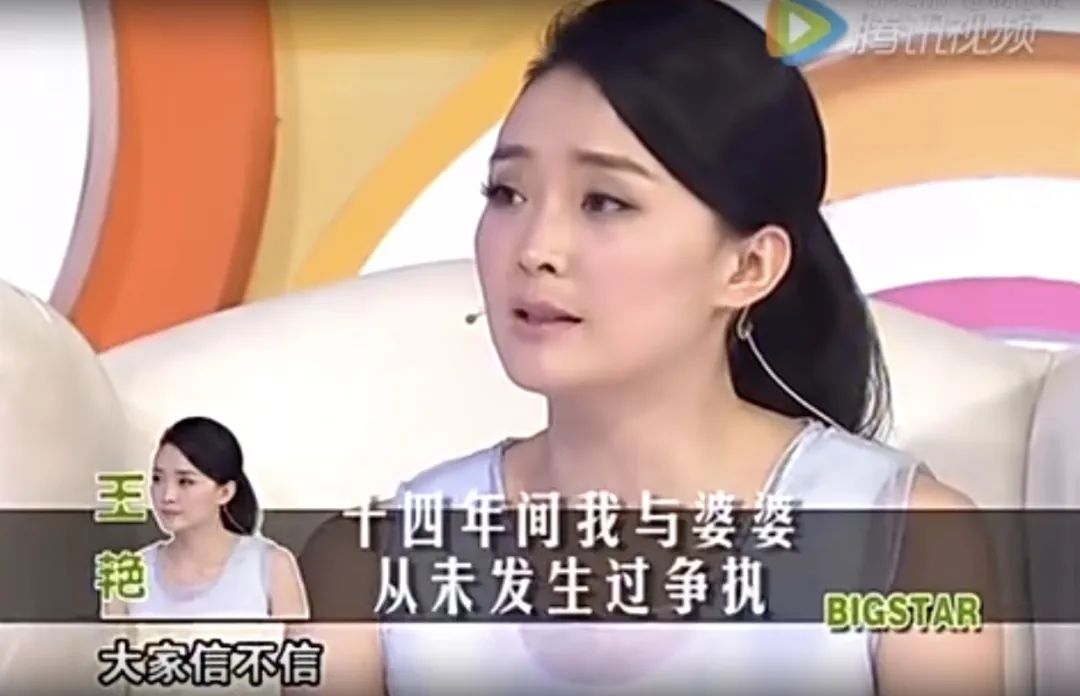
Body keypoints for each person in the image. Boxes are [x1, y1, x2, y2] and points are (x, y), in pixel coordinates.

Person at [291, 1, 1002, 693]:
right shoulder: (367, 566)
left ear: (748, 266)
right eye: (507, 193)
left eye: (605, 202)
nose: (535, 248)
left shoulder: (906, 543)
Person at [104, 416, 308, 620]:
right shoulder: (127, 573)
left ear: (225, 492)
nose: (167, 495)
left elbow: (300, 639)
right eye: (157, 479)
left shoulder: (271, 565)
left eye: (185, 481)